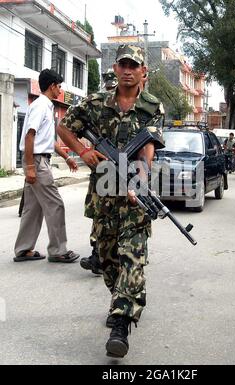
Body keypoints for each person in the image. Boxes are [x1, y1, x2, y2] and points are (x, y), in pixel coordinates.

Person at [57, 44, 164, 358]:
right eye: (123, 64)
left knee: (133, 257)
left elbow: (149, 146)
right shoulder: (94, 103)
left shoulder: (152, 106)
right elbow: (64, 128)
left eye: (134, 65)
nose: (128, 70)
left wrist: (142, 180)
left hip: (133, 195)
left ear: (143, 71)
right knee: (107, 260)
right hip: (104, 194)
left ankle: (121, 324)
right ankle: (119, 297)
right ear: (115, 69)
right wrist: (83, 151)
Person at [14, 69, 80, 263]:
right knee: (55, 205)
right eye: (59, 86)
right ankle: (58, 250)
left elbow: (48, 141)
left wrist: (66, 157)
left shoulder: (45, 106)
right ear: (52, 86)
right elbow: (29, 136)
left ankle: (23, 249)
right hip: (36, 161)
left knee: (32, 208)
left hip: (37, 159)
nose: (60, 90)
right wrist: (30, 167)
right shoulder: (41, 105)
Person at [79, 69, 118, 276]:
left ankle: (106, 256)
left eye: (112, 85)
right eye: (108, 85)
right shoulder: (95, 104)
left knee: (111, 214)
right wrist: (85, 153)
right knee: (99, 212)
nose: (110, 88)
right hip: (101, 168)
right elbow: (75, 129)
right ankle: (98, 255)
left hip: (120, 167)